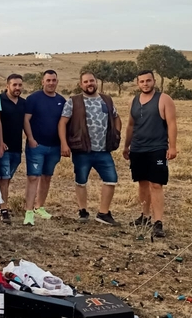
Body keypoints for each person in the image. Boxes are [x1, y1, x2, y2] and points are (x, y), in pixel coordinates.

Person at [58, 71, 122, 226]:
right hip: (82, 150)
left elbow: (116, 117)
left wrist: (117, 134)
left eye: (91, 81)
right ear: (81, 84)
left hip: (103, 150)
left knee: (111, 180)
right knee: (81, 181)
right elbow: (62, 123)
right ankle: (83, 211)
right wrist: (64, 144)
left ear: (96, 82)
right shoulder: (73, 101)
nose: (89, 84)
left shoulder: (106, 99)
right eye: (85, 82)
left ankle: (103, 213)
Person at [123, 70, 178, 238]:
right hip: (138, 149)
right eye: (142, 81)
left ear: (154, 81)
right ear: (137, 83)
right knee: (142, 183)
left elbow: (172, 123)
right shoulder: (134, 101)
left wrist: (173, 147)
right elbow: (131, 126)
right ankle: (145, 216)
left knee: (156, 184)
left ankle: (158, 221)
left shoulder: (164, 99)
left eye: (148, 81)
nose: (145, 84)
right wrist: (126, 146)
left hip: (157, 148)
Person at [22, 70, 67, 226]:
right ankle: (28, 212)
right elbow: (26, 120)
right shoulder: (33, 99)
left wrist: (63, 143)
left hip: (54, 146)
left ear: (57, 81)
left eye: (54, 80)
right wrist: (31, 139)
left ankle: (39, 207)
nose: (51, 83)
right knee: (33, 177)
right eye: (48, 80)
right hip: (37, 145)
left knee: (47, 177)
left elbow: (64, 123)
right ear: (42, 81)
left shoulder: (62, 100)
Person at [0, 74, 26, 222]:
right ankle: (4, 209)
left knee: (6, 178)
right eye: (14, 85)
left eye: (20, 85)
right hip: (3, 147)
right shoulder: (0, 100)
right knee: (4, 177)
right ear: (7, 85)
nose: (17, 88)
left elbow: (25, 123)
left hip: (17, 147)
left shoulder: (23, 103)